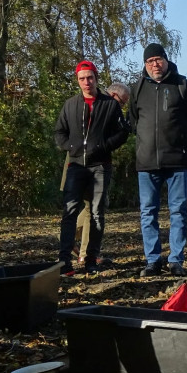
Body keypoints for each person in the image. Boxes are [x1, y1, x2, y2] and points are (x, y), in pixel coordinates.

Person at [129, 44, 187, 278]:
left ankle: (175, 260)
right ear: (145, 64)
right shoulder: (137, 89)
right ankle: (153, 260)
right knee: (147, 213)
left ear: (166, 59)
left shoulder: (183, 86)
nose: (155, 64)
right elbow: (132, 122)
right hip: (147, 163)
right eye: (150, 60)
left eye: (158, 59)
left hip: (178, 162)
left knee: (178, 212)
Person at [55, 61, 129, 275]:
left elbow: (122, 133)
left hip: (100, 166)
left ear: (96, 79)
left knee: (96, 214)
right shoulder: (70, 104)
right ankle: (64, 262)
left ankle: (90, 261)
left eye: (90, 78)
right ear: (78, 81)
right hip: (76, 165)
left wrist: (104, 146)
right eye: (82, 78)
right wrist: (70, 147)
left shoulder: (110, 105)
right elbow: (59, 132)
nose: (86, 82)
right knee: (69, 212)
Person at [71, 81, 131, 268]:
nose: (121, 107)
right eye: (122, 103)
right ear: (114, 96)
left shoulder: (99, 105)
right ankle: (84, 253)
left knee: (95, 206)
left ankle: (70, 237)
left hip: (91, 162)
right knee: (94, 208)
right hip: (88, 164)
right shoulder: (98, 107)